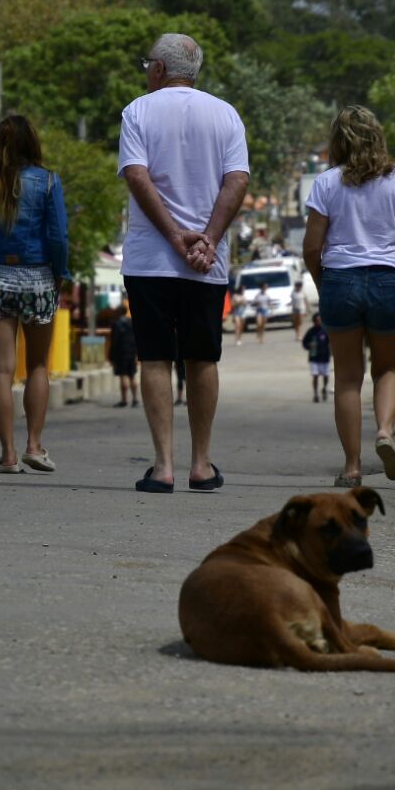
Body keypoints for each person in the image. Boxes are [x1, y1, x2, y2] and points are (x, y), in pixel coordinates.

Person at [119, 32, 249, 493]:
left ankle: (163, 467)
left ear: (158, 68)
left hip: (150, 258)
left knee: (155, 358)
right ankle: (201, 464)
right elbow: (237, 180)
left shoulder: (137, 111)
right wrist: (207, 240)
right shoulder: (227, 114)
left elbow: (137, 175)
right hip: (206, 263)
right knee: (202, 357)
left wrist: (174, 238)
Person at [302, 105, 395, 488]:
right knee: (387, 369)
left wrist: (324, 284)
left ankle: (352, 467)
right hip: (390, 281)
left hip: (341, 279)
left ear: (337, 142)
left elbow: (312, 248)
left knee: (346, 378)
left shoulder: (326, 183)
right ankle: (385, 433)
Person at [0, 114, 69, 473]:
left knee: (2, 371)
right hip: (38, 276)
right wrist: (60, 274)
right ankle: (34, 446)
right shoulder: (49, 182)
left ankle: (7, 455)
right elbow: (58, 237)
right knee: (37, 365)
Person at [109, 303, 138, 408]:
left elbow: (114, 342)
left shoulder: (116, 324)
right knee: (132, 376)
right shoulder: (132, 323)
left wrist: (111, 357)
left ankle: (124, 400)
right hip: (131, 352)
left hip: (121, 353)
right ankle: (135, 399)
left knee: (123, 375)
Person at [302, 311, 331, 402]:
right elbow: (304, 342)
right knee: (315, 375)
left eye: (319, 320)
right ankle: (315, 394)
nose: (318, 322)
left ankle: (324, 388)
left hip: (325, 356)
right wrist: (308, 346)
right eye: (316, 320)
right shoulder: (310, 331)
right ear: (313, 321)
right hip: (314, 357)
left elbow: (331, 342)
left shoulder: (326, 330)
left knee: (326, 376)